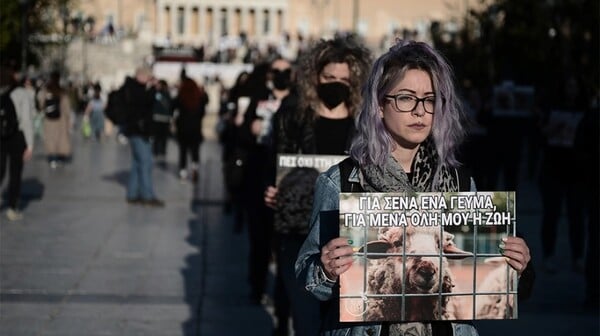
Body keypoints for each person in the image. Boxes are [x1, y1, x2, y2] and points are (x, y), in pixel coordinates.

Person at [295, 40, 534, 336]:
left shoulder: (459, 183)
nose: (420, 111)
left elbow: (492, 284)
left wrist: (518, 265)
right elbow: (307, 277)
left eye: (429, 99)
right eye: (406, 98)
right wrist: (326, 269)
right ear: (380, 105)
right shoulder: (341, 181)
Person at [265, 35, 372, 336]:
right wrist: (272, 189)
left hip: (349, 235)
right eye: (329, 78)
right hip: (298, 231)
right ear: (315, 77)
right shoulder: (293, 114)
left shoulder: (366, 123)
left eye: (343, 79)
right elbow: (273, 160)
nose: (336, 84)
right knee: (306, 318)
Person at [122, 66, 164, 207]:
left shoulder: (132, 87)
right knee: (146, 163)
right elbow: (144, 103)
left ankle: (132, 194)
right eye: (148, 77)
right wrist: (152, 88)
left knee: (137, 163)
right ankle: (147, 196)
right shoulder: (135, 89)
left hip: (136, 130)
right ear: (141, 76)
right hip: (139, 131)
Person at [0, 67, 35, 221]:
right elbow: (27, 120)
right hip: (17, 137)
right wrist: (30, 144)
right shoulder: (21, 94)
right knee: (15, 173)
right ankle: (13, 208)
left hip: (0, 137)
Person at [173, 69, 209, 182]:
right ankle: (195, 168)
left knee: (183, 151)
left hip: (183, 128)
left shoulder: (181, 97)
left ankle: (183, 172)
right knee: (195, 151)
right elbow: (203, 110)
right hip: (195, 128)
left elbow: (173, 108)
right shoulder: (199, 99)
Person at [37, 70, 71, 168]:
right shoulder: (62, 91)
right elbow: (66, 107)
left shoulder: (46, 90)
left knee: (50, 138)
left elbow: (41, 104)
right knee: (61, 138)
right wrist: (68, 120)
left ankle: (52, 158)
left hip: (49, 119)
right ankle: (60, 157)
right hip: (61, 119)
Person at [151, 79, 173, 163]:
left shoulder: (161, 94)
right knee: (159, 136)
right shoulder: (160, 94)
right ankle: (158, 150)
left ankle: (160, 150)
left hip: (161, 118)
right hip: (159, 118)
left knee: (162, 136)